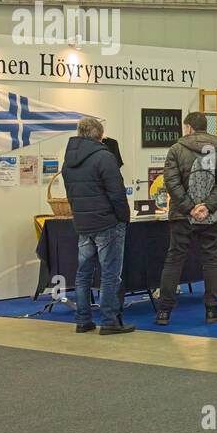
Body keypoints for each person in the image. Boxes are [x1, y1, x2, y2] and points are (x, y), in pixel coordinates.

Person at [156, 111, 217, 326]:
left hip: (182, 216)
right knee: (212, 260)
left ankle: (164, 311)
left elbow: (171, 183)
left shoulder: (176, 150)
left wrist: (190, 208)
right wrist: (208, 207)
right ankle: (212, 310)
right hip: (214, 216)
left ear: (189, 127)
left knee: (174, 260)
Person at [62, 117, 134, 335]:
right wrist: (124, 217)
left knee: (83, 274)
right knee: (110, 274)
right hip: (107, 223)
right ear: (100, 135)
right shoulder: (104, 157)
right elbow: (117, 193)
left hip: (83, 223)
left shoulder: (68, 160)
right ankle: (109, 321)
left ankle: (83, 320)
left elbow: (71, 193)